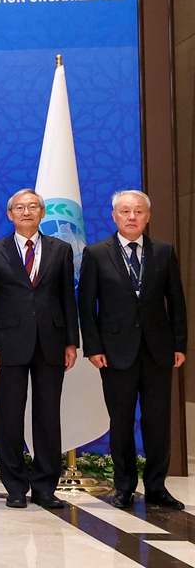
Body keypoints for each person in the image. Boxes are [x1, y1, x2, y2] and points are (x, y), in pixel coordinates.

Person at [79, 189, 187, 510]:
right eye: (125, 212)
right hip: (114, 352)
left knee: (157, 422)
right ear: (114, 216)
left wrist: (179, 345)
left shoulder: (164, 252)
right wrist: (93, 348)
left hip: (158, 352)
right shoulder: (97, 253)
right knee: (122, 422)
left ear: (147, 216)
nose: (131, 217)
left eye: (138, 212)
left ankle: (157, 487)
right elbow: (86, 306)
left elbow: (177, 303)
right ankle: (123, 487)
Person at [0, 188, 78, 509]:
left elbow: (67, 299)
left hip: (51, 343)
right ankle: (15, 486)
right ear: (10, 214)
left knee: (48, 417)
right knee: (9, 417)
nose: (26, 212)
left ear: (42, 213)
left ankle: (46, 486)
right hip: (8, 346)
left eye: (33, 207)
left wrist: (71, 342)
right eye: (19, 208)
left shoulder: (61, 250)